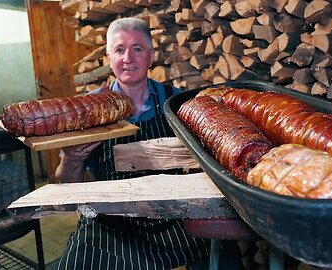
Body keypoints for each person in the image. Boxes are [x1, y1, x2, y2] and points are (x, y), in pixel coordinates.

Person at [55, 17, 240, 270]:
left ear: (151, 56)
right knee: (77, 262)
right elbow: (66, 185)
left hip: (174, 216)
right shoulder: (88, 110)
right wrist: (72, 158)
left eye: (137, 49)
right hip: (113, 222)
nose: (128, 58)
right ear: (109, 57)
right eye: (120, 50)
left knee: (225, 257)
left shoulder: (177, 103)